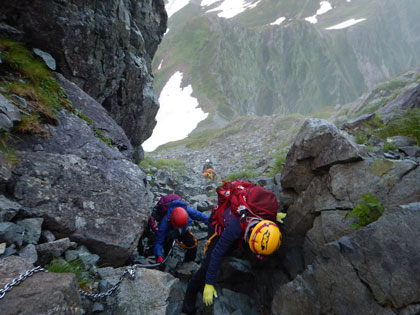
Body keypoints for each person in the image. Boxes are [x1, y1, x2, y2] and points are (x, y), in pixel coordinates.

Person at [181, 207, 286, 314]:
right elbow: (216, 254)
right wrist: (209, 283)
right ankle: (191, 289)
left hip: (239, 223)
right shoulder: (235, 228)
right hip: (219, 224)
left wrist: (275, 215)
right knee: (210, 262)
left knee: (232, 247)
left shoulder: (266, 220)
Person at [154, 199, 209, 264]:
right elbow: (159, 241)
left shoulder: (187, 210)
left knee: (192, 245)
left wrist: (212, 222)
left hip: (183, 231)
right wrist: (159, 256)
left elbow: (200, 216)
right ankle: (167, 259)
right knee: (167, 247)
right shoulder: (165, 222)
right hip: (170, 233)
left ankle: (188, 263)